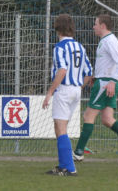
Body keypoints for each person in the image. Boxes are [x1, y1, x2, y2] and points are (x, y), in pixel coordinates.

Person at [73, 14, 118, 163]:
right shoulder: (106, 40)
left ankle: (78, 152)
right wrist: (96, 76)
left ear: (103, 26)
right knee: (107, 119)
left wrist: (111, 80)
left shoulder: (109, 41)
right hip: (105, 81)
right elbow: (109, 63)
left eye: (95, 24)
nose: (94, 27)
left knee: (88, 116)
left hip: (106, 84)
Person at [41, 14, 92, 176]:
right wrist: (77, 86)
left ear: (57, 28)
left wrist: (50, 92)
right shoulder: (80, 47)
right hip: (76, 90)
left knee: (61, 128)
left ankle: (70, 168)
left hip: (64, 90)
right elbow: (89, 72)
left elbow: (62, 70)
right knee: (60, 127)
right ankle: (63, 166)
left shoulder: (60, 48)